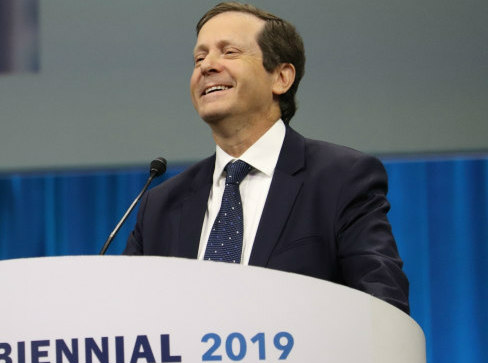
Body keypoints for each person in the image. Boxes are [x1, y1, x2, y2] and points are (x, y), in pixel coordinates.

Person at [123, 2, 410, 314]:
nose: (207, 66)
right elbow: (124, 319)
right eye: (199, 58)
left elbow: (383, 309)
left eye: (229, 52)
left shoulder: (341, 179)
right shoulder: (159, 207)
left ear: (281, 78)